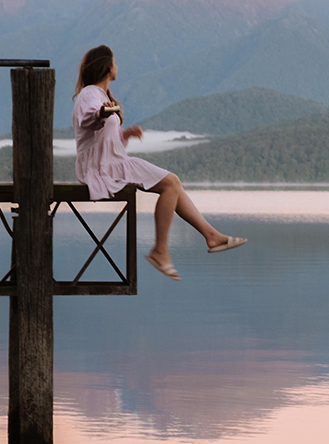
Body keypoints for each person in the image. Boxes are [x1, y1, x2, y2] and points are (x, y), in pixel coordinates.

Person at [72, 45, 246, 281]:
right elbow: (87, 120)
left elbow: (103, 139)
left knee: (172, 183)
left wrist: (125, 135)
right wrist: (102, 113)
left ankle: (210, 235)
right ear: (107, 66)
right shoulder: (90, 94)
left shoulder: (102, 96)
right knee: (171, 183)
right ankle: (162, 250)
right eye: (115, 62)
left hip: (110, 163)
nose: (117, 66)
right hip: (101, 169)